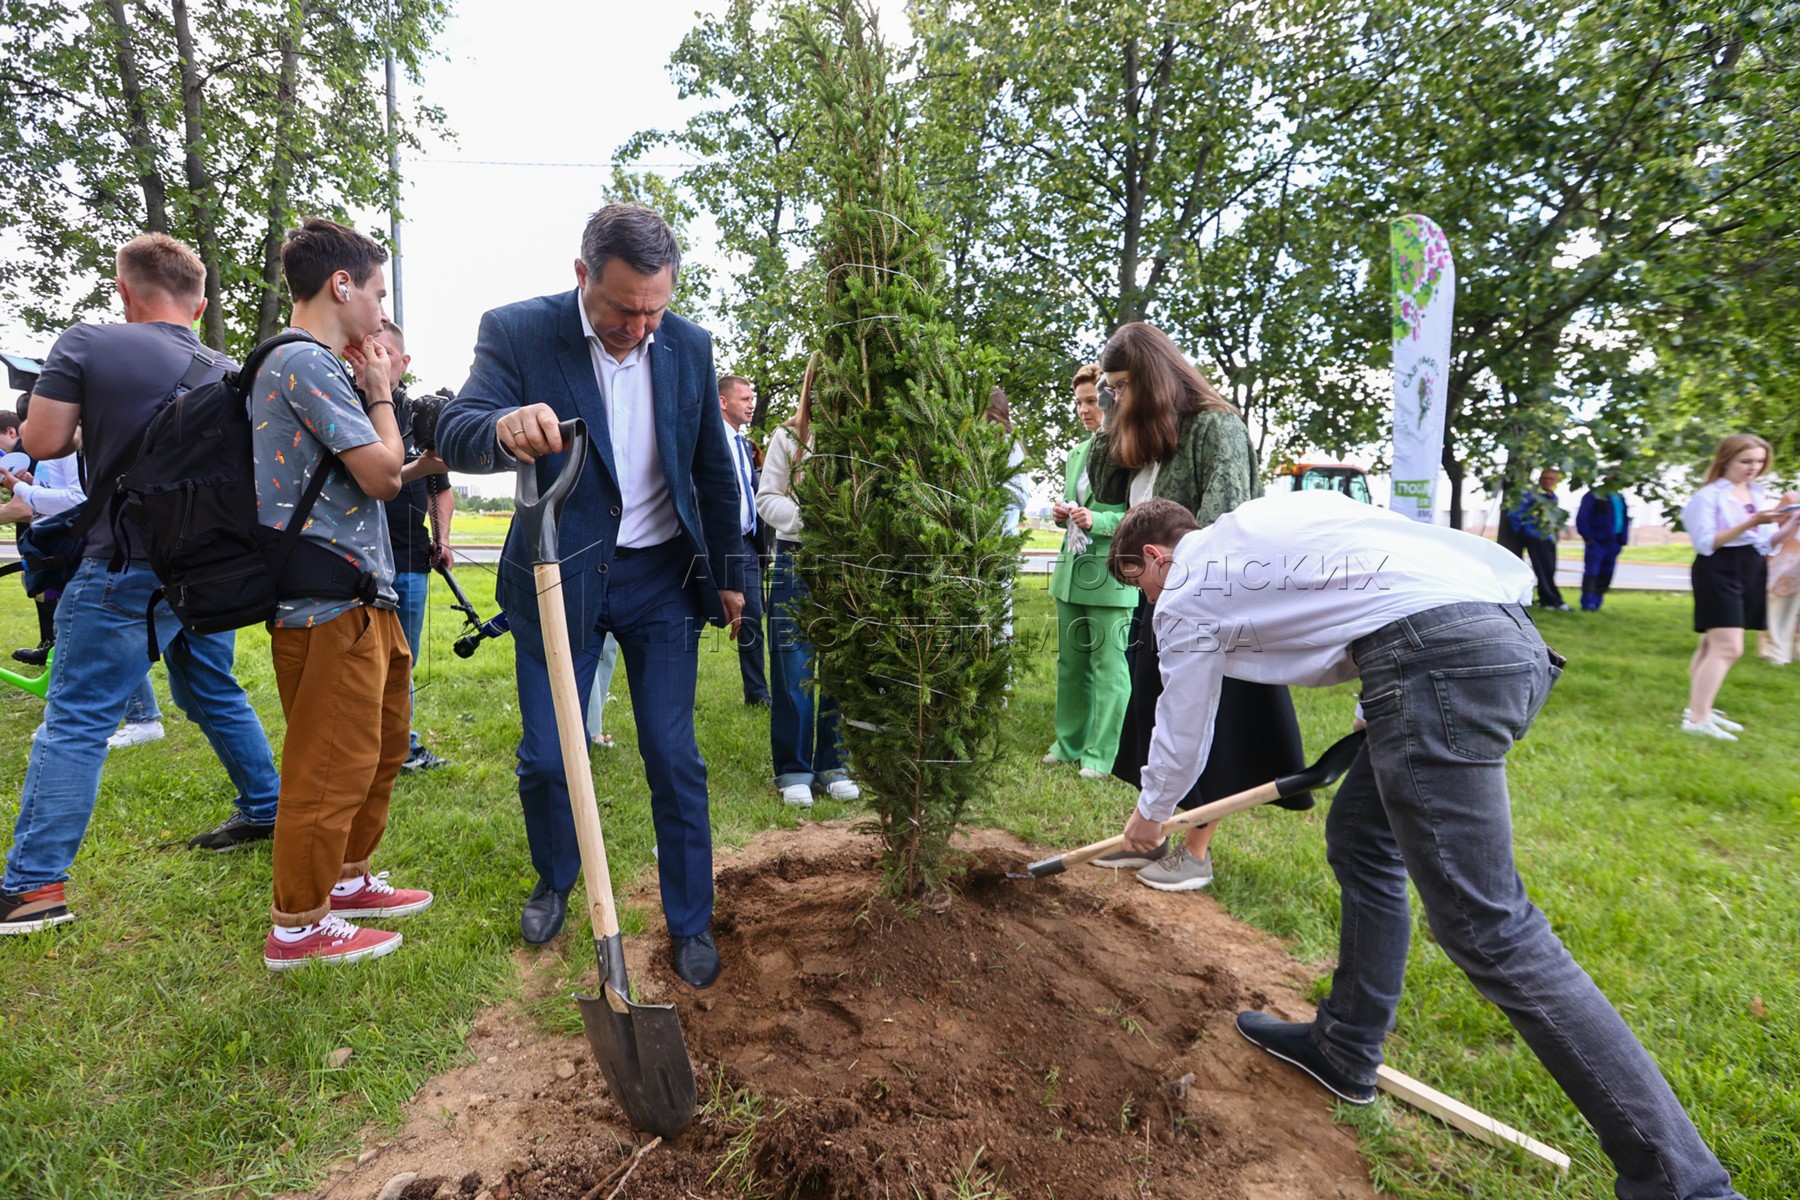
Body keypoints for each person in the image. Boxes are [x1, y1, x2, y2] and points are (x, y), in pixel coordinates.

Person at [1109, 492, 1748, 1200]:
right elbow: (1378, 581)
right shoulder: (1274, 518)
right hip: (1503, 636)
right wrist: (1378, 698)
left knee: (1490, 927)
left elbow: (1186, 721)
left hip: (1432, 667)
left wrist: (1153, 812)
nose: (1148, 603)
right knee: (1361, 837)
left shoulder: (1188, 589)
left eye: (1140, 584)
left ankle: (1684, 1184)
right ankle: (1344, 1047)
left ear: (1159, 556)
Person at [434, 203, 744, 990]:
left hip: (661, 580)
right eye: (621, 310)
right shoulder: (517, 331)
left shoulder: (688, 346)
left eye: (655, 310)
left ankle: (691, 920)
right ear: (582, 277)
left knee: (674, 756)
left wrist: (733, 575)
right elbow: (457, 428)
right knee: (545, 757)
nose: (639, 327)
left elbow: (711, 466)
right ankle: (555, 877)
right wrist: (504, 424)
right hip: (556, 573)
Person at [0, 233, 284, 936]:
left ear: (125, 289)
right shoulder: (229, 367)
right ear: (201, 302)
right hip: (206, 572)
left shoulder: (89, 344)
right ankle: (267, 806)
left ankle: (33, 887)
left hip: (121, 562)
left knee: (78, 718)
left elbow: (40, 442)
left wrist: (84, 430)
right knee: (211, 689)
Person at [253, 217, 430, 970]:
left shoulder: (323, 368)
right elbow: (381, 475)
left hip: (364, 597)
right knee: (328, 764)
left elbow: (379, 474)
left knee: (378, 750)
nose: (380, 310)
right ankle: (297, 925)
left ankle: (349, 881)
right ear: (342, 285)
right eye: (378, 292)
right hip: (326, 603)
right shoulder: (303, 364)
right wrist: (383, 391)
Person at [1086, 322, 1308, 892]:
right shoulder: (1145, 432)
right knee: (1155, 719)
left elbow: (1226, 524)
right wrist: (1112, 416)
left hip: (1209, 605)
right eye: (1109, 388)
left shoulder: (1216, 427)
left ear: (1154, 378)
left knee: (1206, 722)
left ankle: (1195, 851)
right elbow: (1106, 487)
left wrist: (1190, 596)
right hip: (1156, 596)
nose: (1115, 397)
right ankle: (1150, 834)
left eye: (1121, 386)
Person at [0, 449, 165, 748]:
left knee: (91, 635)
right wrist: (30, 485)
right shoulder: (58, 450)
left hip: (90, 551)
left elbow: (79, 498)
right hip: (67, 552)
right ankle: (136, 717)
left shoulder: (75, 446)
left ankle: (134, 718)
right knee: (91, 635)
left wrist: (22, 489)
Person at [755, 355, 860, 809]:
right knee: (793, 664)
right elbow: (767, 499)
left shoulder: (861, 439)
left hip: (851, 562)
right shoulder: (789, 436)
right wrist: (813, 518)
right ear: (812, 385)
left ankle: (834, 763)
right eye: (825, 382)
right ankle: (794, 768)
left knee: (842, 665)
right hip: (797, 559)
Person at [1679, 435, 1800, 740]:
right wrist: (1751, 522)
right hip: (1718, 569)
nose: (1753, 468)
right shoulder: (1708, 496)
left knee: (1710, 644)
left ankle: (1698, 709)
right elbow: (1706, 543)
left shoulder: (1756, 492)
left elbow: (1765, 544)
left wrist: (1791, 526)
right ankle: (1697, 720)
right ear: (1726, 460)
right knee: (1728, 647)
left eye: (1759, 462)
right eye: (1746, 461)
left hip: (1750, 568)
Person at [1043, 364, 1132, 779]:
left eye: (1092, 401)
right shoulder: (1077, 453)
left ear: (1111, 399)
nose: (1083, 409)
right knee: (1071, 663)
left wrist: (1097, 521)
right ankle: (1068, 743)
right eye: (1079, 402)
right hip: (1071, 571)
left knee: (1109, 667)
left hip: (1110, 574)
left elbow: (1137, 516)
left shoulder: (1129, 450)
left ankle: (1100, 755)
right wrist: (1065, 514)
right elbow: (1074, 511)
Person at [374, 320, 455, 772]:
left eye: (386, 353)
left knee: (401, 662)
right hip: (354, 564)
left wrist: (442, 539)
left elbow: (439, 485)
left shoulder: (419, 416)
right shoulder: (346, 405)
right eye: (369, 350)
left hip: (408, 559)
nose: (377, 359)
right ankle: (366, 746)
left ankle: (401, 747)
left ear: (404, 363)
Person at [719, 374, 770, 706]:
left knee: (752, 618)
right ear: (723, 402)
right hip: (715, 546)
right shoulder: (709, 441)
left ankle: (757, 694)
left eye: (752, 399)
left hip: (748, 545)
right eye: (745, 399)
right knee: (690, 619)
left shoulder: (744, 445)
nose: (752, 404)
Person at [1505, 468, 1570, 610]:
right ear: (1540, 479)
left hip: (1549, 537)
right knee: (1543, 569)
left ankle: (1549, 599)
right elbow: (1515, 513)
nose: (1548, 481)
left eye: (1551, 479)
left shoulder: (1552, 497)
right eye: (1545, 478)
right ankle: (1552, 600)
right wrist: (1524, 532)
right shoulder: (1531, 495)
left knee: (1550, 569)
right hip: (1535, 537)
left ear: (1556, 481)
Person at [1574, 478, 1631, 612]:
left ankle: (1597, 602)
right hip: (1597, 541)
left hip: (1614, 541)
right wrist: (1588, 537)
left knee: (1607, 573)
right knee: (1592, 572)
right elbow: (1582, 517)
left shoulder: (1620, 497)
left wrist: (1623, 539)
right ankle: (1587, 603)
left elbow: (1624, 518)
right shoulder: (1595, 494)